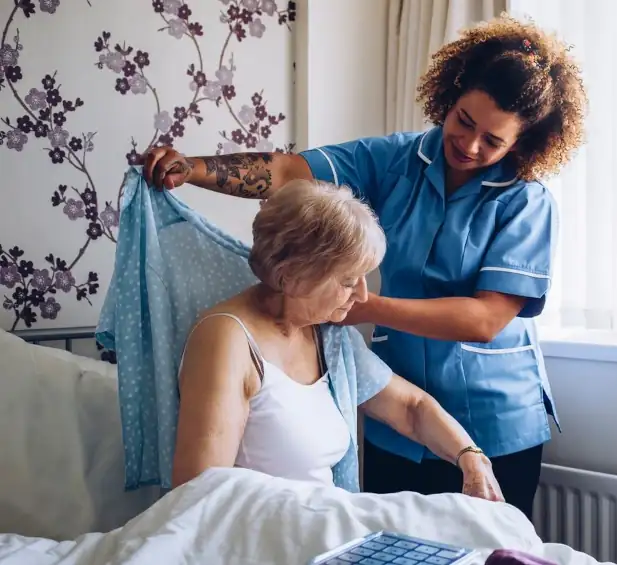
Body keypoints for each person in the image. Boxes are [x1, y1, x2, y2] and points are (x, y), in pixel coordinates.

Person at [144, 14, 587, 516]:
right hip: (396, 422)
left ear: (522, 143)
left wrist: (355, 305)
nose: (470, 145)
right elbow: (289, 172)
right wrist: (194, 169)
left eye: (493, 140)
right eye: (464, 121)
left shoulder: (527, 202)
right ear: (450, 96)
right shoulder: (394, 160)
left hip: (494, 422)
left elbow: (484, 320)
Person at [171, 178, 503, 503]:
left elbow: (410, 407)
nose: (362, 295)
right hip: (264, 532)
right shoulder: (227, 340)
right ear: (291, 277)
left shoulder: (328, 336)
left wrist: (470, 456)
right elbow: (199, 495)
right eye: (348, 281)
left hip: (323, 523)